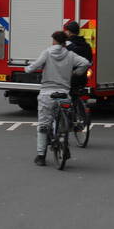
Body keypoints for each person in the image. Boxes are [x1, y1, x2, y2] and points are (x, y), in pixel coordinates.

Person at [27, 31, 90, 165]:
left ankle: (41, 156)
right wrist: (75, 72)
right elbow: (85, 63)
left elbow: (34, 66)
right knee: (62, 119)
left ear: (55, 41)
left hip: (47, 93)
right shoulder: (70, 55)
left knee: (43, 125)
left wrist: (27, 69)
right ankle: (63, 142)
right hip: (63, 93)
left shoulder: (47, 53)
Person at [62, 21, 92, 93]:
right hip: (82, 80)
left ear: (68, 32)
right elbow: (89, 62)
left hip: (68, 80)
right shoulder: (87, 46)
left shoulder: (67, 46)